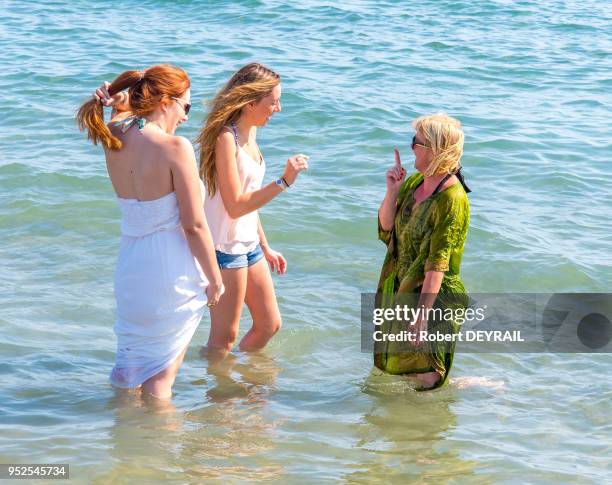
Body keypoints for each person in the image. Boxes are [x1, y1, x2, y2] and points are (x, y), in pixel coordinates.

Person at [77, 64, 224, 399]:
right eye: (185, 106)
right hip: (170, 274)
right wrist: (215, 277)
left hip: (131, 268)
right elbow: (194, 224)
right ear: (165, 101)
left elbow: (122, 114)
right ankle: (156, 449)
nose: (186, 116)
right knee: (160, 380)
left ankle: (125, 441)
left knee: (129, 373)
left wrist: (116, 99)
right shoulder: (175, 148)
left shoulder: (113, 135)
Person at [197, 63, 309, 356]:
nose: (278, 109)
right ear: (250, 103)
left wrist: (265, 246)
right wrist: (284, 182)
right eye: (273, 102)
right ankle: (220, 396)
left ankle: (240, 378)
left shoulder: (251, 135)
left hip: (249, 246)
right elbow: (235, 205)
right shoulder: (226, 138)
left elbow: (250, 200)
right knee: (224, 338)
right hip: (224, 249)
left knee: (269, 324)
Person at [375, 113, 471, 390]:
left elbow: (437, 262)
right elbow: (387, 229)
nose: (410, 148)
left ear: (434, 150)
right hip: (403, 286)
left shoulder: (452, 199)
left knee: (427, 377)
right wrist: (392, 191)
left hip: (435, 299)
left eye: (414, 142)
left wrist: (422, 314)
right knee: (398, 370)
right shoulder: (414, 183)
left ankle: (430, 428)